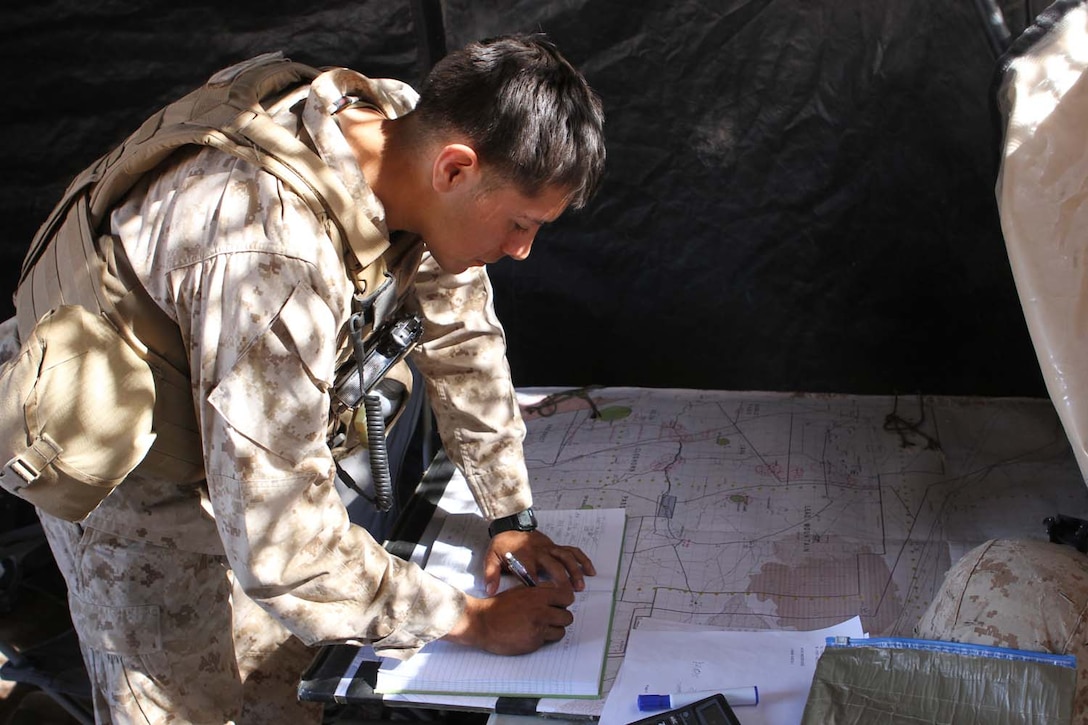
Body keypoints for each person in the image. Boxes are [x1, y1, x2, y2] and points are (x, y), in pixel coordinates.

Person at [17, 33, 606, 722]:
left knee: (285, 681)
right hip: (135, 484)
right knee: (182, 705)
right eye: (518, 223)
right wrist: (470, 620)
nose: (522, 250)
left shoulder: (401, 126)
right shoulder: (272, 258)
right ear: (456, 169)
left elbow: (462, 338)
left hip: (232, 434)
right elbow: (282, 547)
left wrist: (510, 514)